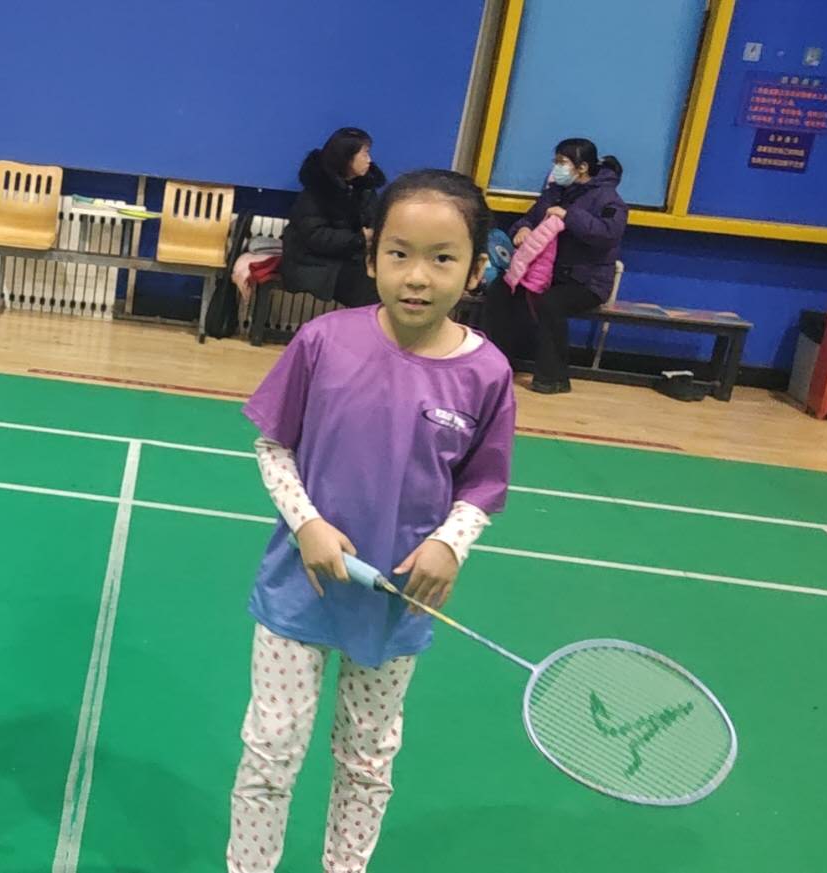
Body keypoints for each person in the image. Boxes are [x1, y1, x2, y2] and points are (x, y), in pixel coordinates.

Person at [228, 169, 517, 873]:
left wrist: (451, 544)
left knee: (366, 760)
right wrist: (307, 524)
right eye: (399, 253)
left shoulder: (487, 374)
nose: (417, 276)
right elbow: (273, 446)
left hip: (397, 601)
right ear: (371, 256)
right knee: (270, 754)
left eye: (442, 258)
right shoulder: (323, 341)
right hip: (299, 591)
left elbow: (481, 485)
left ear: (475, 269)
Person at [479, 138, 627, 394]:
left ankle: (554, 377)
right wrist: (522, 229)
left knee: (550, 303)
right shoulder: (554, 193)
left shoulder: (609, 199)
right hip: (547, 275)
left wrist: (569, 216)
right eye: (556, 161)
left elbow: (607, 235)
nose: (556, 167)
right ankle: (496, 364)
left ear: (582, 167)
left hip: (587, 282)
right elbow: (529, 218)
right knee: (501, 291)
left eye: (562, 162)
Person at [279, 127, 387, 308]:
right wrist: (360, 239)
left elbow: (373, 218)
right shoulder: (316, 191)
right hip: (312, 263)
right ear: (347, 158)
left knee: (385, 278)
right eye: (364, 154)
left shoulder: (364, 188)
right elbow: (315, 236)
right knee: (368, 287)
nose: (369, 160)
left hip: (346, 257)